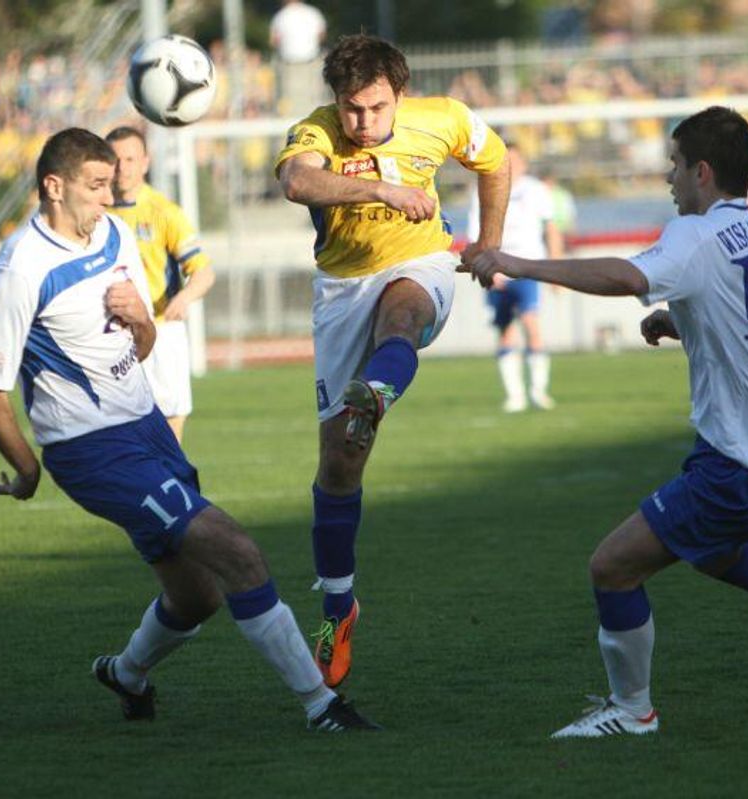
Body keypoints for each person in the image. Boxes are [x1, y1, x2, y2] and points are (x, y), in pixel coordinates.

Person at [462, 106, 748, 738]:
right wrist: (685, 320)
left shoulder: (692, 236)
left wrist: (518, 264)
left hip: (741, 454)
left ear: (702, 171)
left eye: (673, 166)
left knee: (612, 566)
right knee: (722, 553)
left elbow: (625, 276)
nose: (667, 179)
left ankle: (633, 711)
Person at [0, 127, 377, 732]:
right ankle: (322, 705)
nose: (110, 197)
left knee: (197, 596)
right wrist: (28, 470)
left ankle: (126, 673)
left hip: (146, 424)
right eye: (96, 185)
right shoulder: (21, 269)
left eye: (112, 184)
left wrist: (141, 320)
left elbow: (146, 340)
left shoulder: (114, 233)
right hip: (91, 449)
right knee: (238, 553)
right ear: (53, 186)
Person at [276, 34, 510, 688]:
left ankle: (377, 389)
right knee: (339, 465)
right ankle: (337, 607)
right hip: (341, 290)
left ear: (399, 96)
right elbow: (297, 182)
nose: (364, 123)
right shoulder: (314, 134)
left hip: (421, 264)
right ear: (336, 103)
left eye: (377, 109)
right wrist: (381, 188)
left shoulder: (443, 118)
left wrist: (488, 245)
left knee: (403, 315)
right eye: (352, 110)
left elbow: (495, 161)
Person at [105, 126, 215, 443]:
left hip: (161, 328)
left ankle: (173, 486)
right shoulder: (98, 215)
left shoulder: (164, 212)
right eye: (115, 159)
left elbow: (204, 271)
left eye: (130, 158)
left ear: (145, 162)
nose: (122, 167)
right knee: (117, 429)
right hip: (114, 334)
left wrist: (185, 297)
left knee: (169, 422)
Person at [467, 142, 563, 412]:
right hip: (497, 270)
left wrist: (555, 269)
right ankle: (516, 395)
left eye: (515, 160)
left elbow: (551, 228)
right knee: (506, 330)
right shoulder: (484, 189)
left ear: (523, 163)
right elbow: (477, 232)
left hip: (528, 266)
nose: (511, 166)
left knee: (531, 323)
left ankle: (538, 391)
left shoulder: (535, 190)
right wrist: (485, 265)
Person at [268, 0, 328, 115]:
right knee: (313, 98)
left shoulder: (280, 16)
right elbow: (321, 35)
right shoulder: (313, 13)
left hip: (289, 66)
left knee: (289, 100)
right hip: (311, 63)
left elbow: (274, 41)